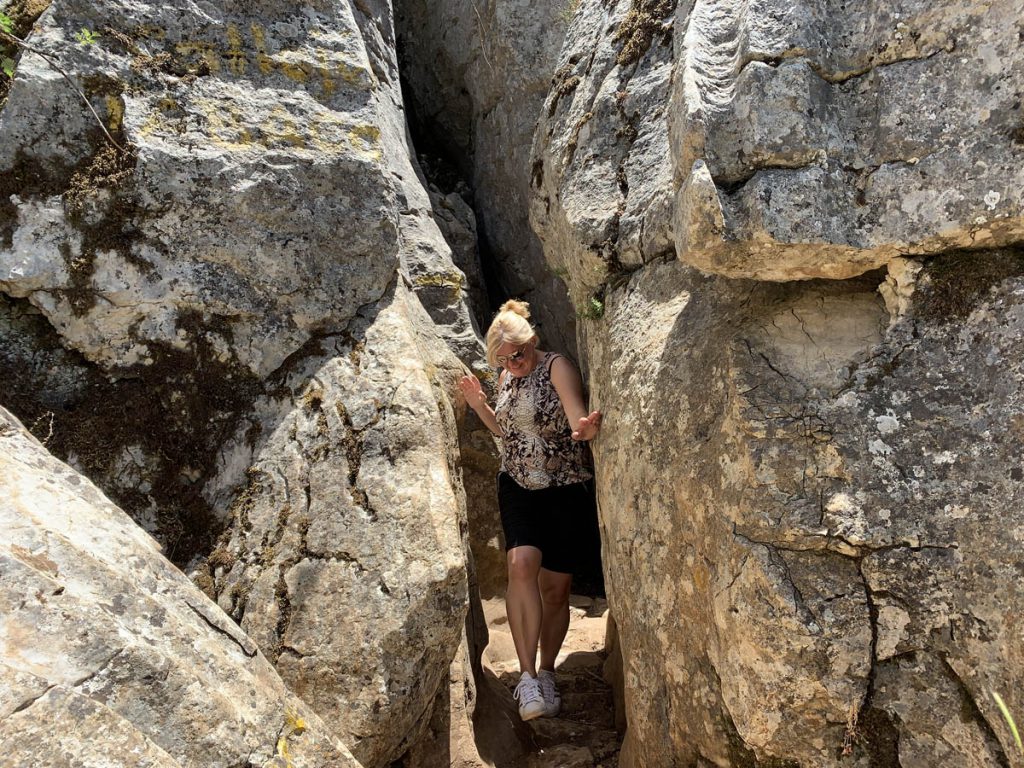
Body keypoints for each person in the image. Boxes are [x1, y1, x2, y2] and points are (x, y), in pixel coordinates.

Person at [458, 299, 602, 722]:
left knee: (555, 589)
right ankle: (526, 680)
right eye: (502, 359)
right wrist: (479, 405)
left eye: (517, 354)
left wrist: (585, 429)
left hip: (563, 486)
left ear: (532, 341)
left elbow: (576, 416)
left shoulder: (556, 365)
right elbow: (508, 434)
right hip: (518, 483)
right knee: (521, 563)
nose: (512, 363)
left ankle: (547, 672)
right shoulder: (504, 377)